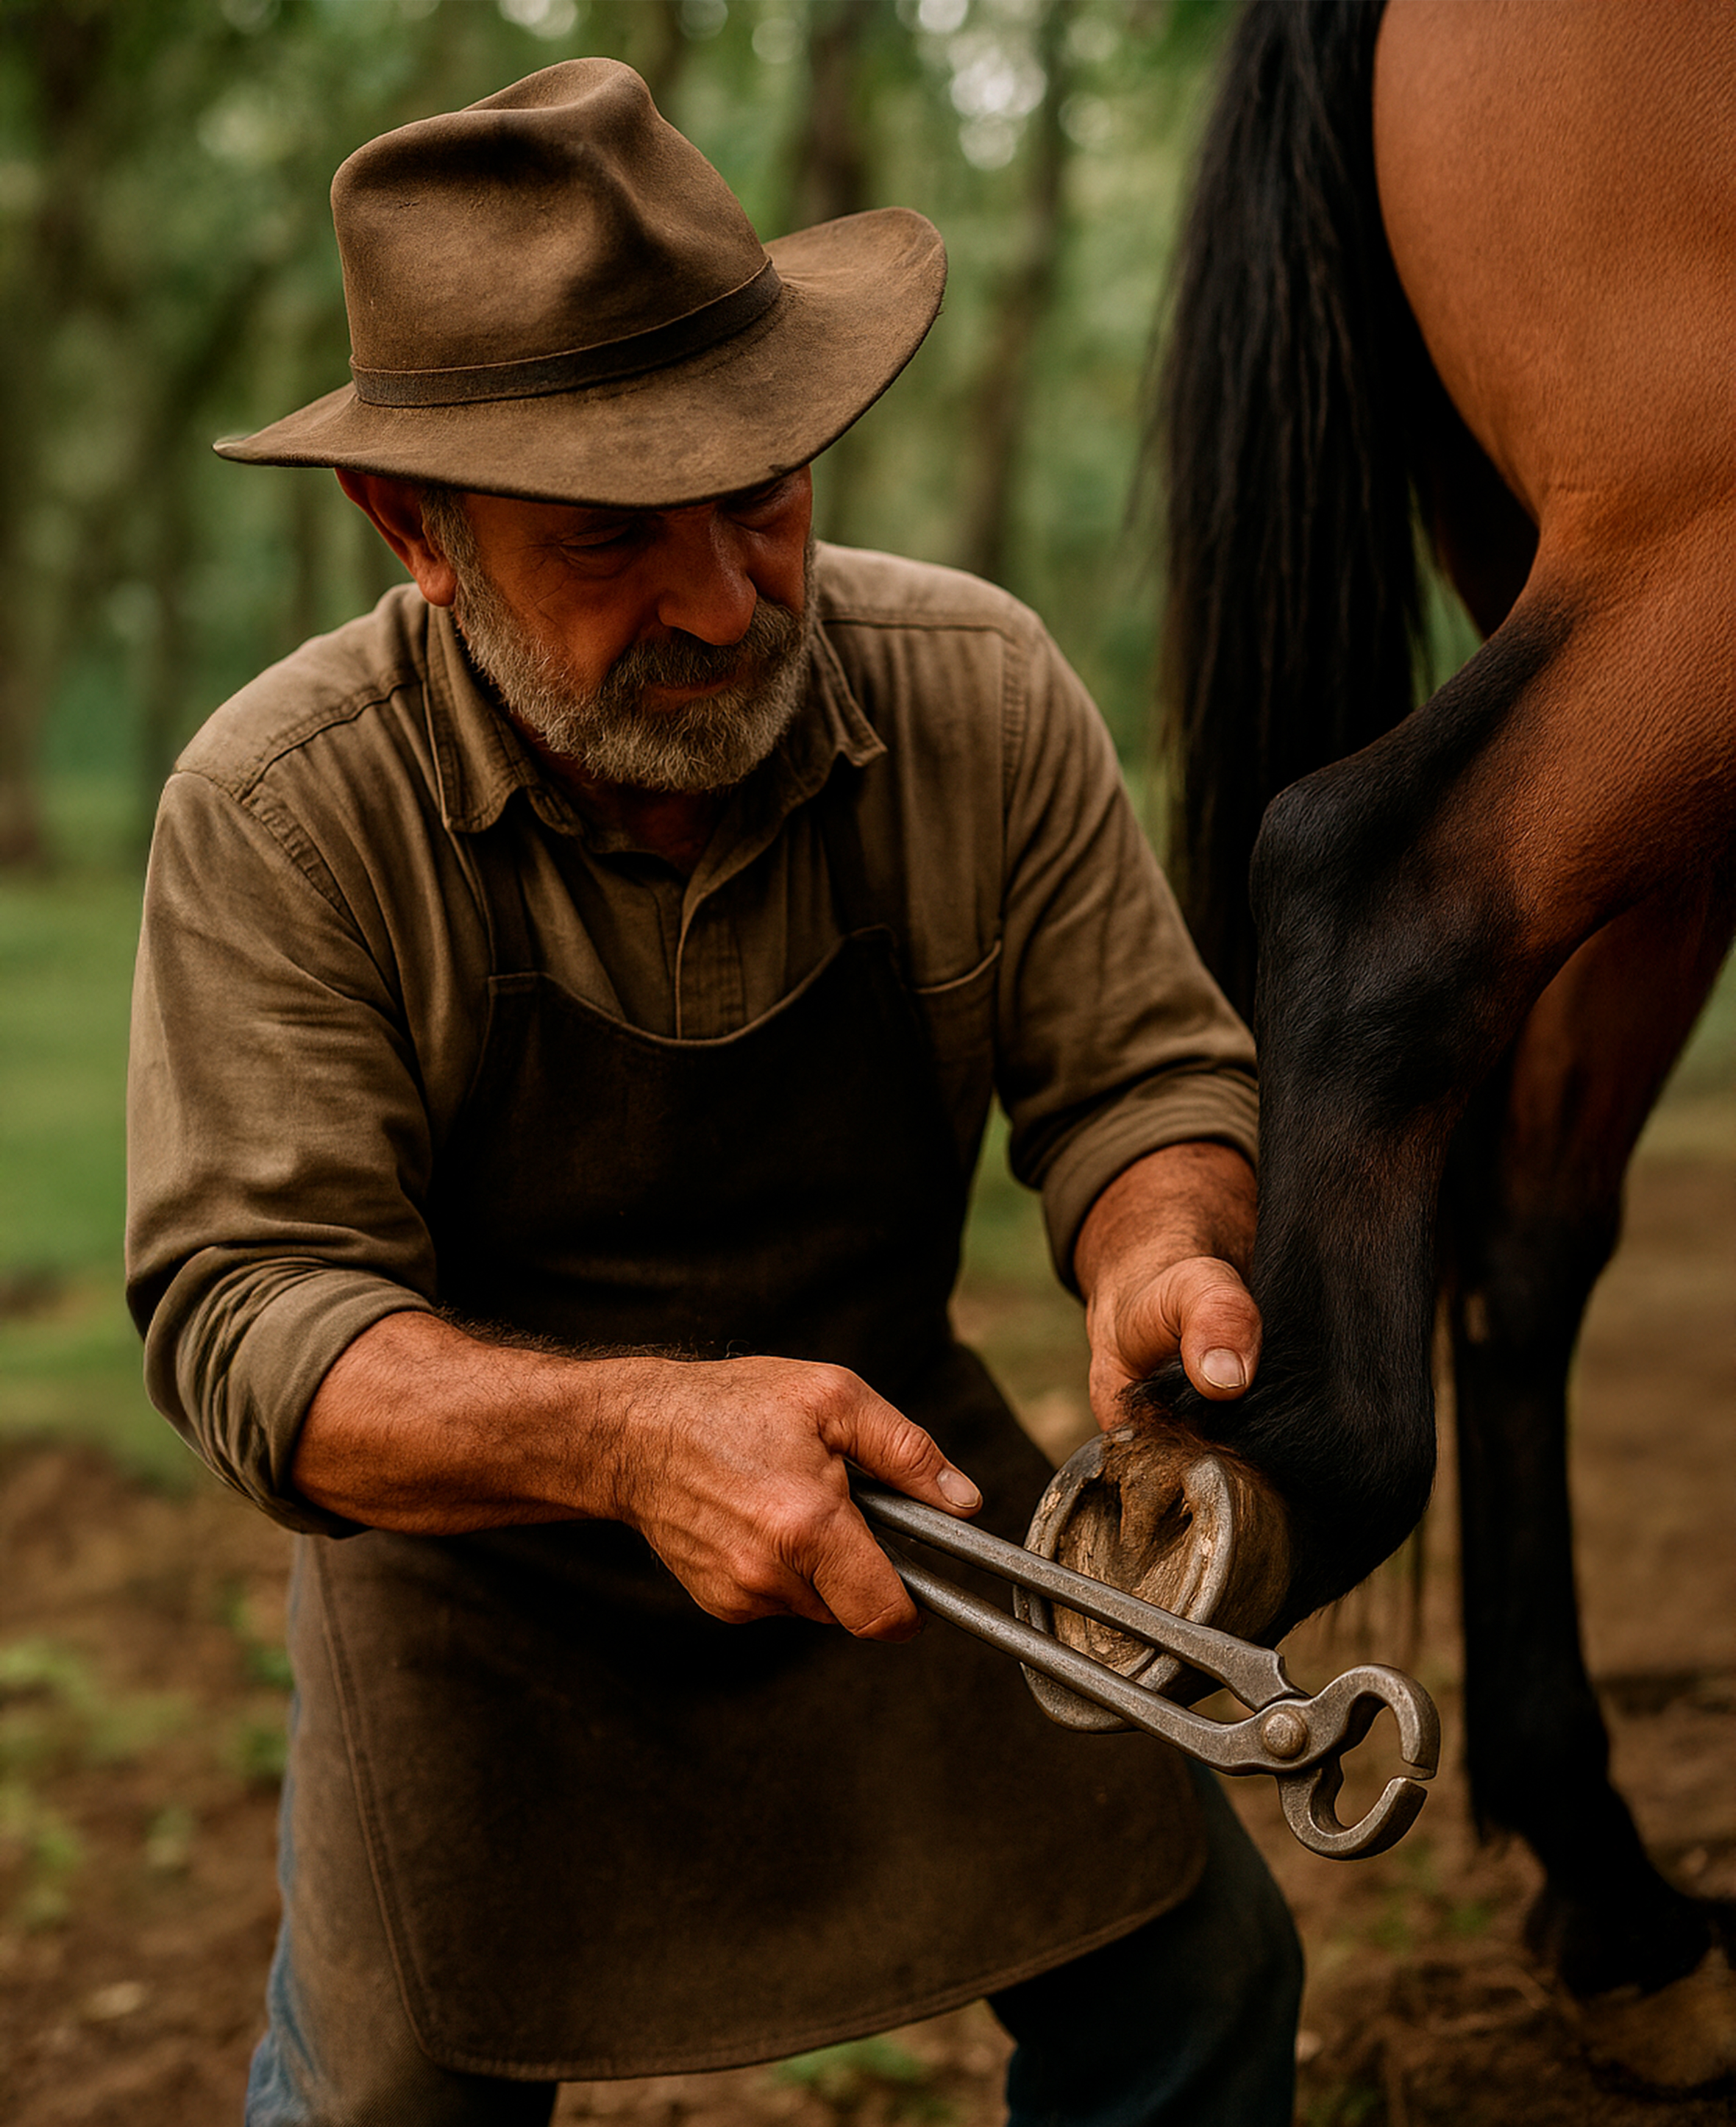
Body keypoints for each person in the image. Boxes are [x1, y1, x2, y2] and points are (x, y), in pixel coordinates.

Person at [126, 60, 1301, 2127]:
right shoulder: (282, 810)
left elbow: (1140, 1069)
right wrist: (636, 1432)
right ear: (413, 528)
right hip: (473, 1580)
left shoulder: (981, 691)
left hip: (912, 1522)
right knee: (388, 2093)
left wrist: (1161, 1242)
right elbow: (255, 1325)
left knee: (1202, 1969)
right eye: (609, 542)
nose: (727, 601)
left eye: (765, 496)